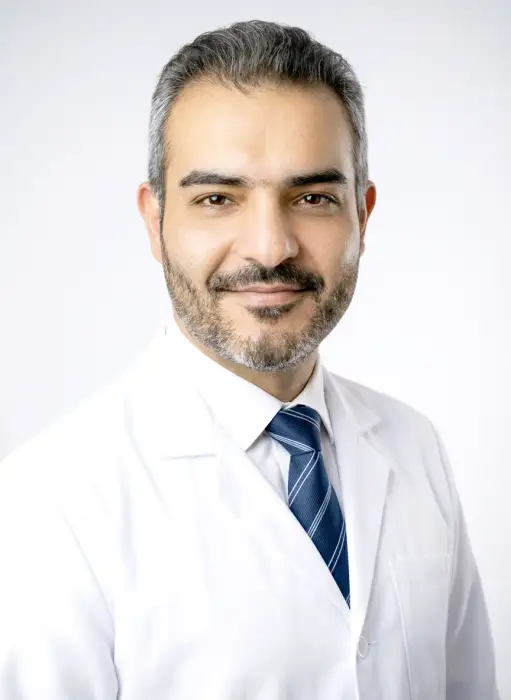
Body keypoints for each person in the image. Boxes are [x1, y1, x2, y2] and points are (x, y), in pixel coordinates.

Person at [0, 18, 499, 700]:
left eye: (312, 198)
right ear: (153, 222)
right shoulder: (48, 504)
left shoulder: (414, 446)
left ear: (362, 215)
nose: (269, 247)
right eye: (217, 199)